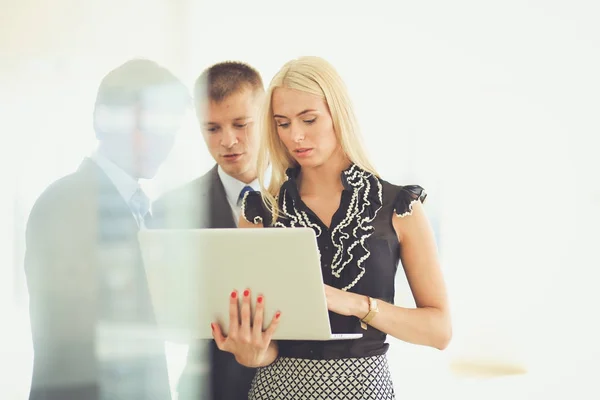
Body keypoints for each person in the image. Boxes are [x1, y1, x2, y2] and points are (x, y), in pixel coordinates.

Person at [210, 56, 452, 399]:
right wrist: (251, 352)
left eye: (309, 119)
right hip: (278, 390)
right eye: (282, 123)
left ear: (338, 114)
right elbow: (263, 347)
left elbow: (439, 331)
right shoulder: (260, 212)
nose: (295, 135)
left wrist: (355, 304)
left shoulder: (399, 206)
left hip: (366, 390)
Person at [24, 58, 190, 400]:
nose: (165, 143)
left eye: (170, 131)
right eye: (154, 126)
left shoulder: (139, 208)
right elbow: (73, 337)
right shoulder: (65, 203)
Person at [152, 61, 264, 399]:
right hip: (211, 388)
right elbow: (167, 317)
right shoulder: (171, 209)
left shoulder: (309, 197)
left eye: (241, 124)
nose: (228, 141)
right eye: (212, 128)